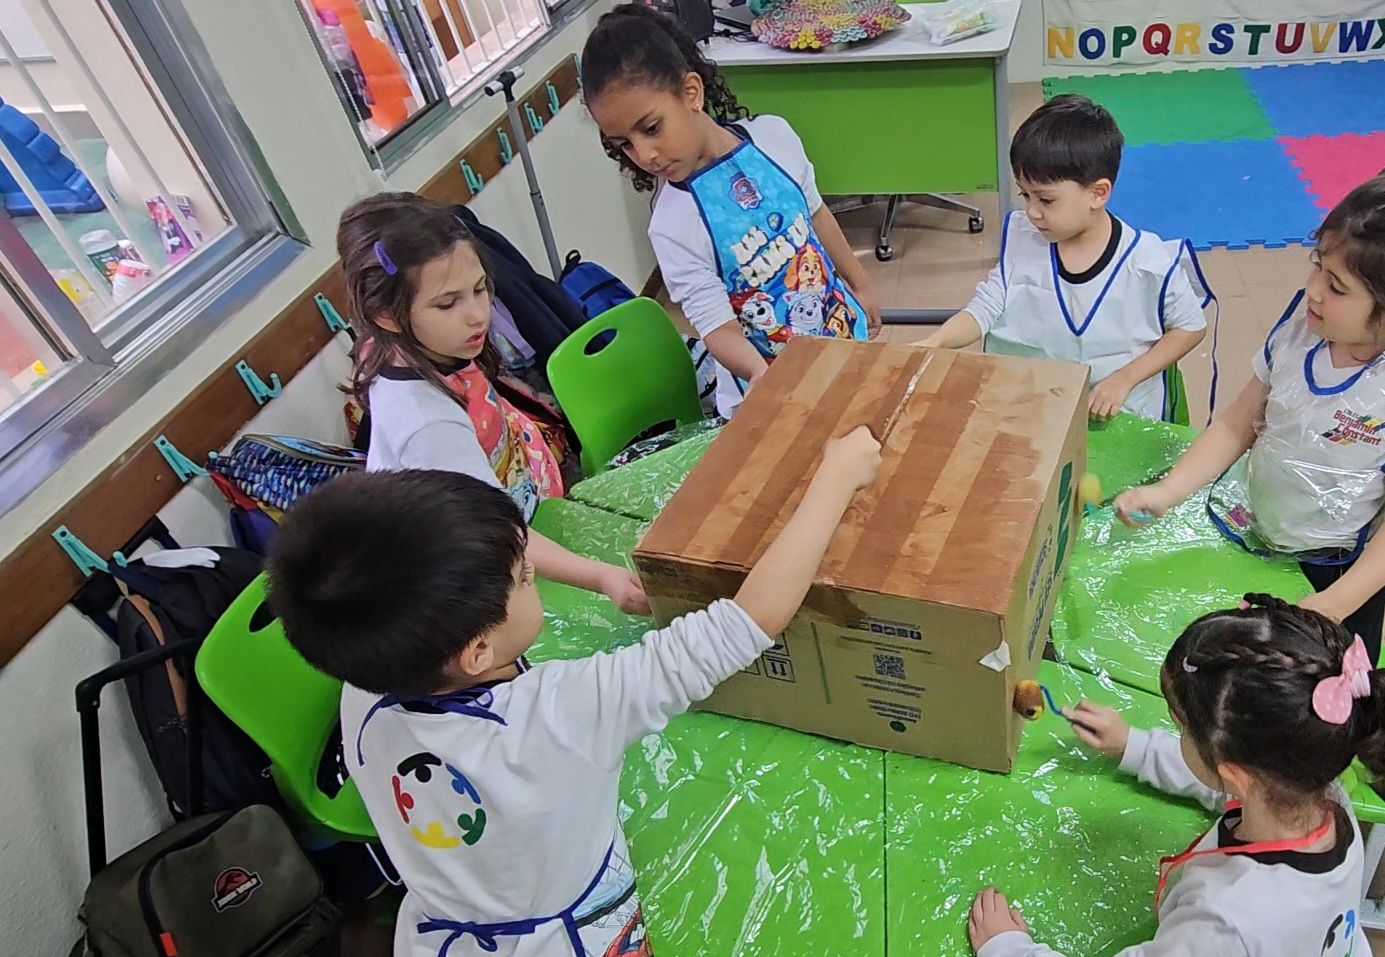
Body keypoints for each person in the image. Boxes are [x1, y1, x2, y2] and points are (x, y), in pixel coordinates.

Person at [265, 427, 882, 957]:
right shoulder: (559, 714)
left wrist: (597, 576)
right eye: (523, 579)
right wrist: (835, 479)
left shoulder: (364, 685)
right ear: (476, 650)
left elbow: (489, 548)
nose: (531, 572)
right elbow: (745, 623)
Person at [1114, 162, 1385, 932]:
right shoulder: (1305, 327)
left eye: (1337, 284)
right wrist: (1167, 490)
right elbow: (1236, 423)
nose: (1313, 290)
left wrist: (1332, 605)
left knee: (1338, 728)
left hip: (1339, 576)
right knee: (1255, 693)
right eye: (1316, 264)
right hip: (1272, 544)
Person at [971, 596, 1385, 957]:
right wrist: (1135, 747)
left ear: (1234, 773)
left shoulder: (1226, 929)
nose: (1179, 737)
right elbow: (1233, 787)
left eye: (1181, 729)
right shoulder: (1326, 799)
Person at [337, 192, 650, 616]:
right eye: (448, 303)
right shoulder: (427, 424)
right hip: (484, 567)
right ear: (386, 315)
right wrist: (601, 577)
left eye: (480, 288)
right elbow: (497, 531)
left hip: (523, 516)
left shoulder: (421, 345)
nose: (477, 314)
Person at [582, 3, 880, 420]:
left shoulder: (774, 137)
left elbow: (816, 216)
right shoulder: (672, 226)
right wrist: (761, 375)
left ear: (691, 92)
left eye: (651, 128)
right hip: (771, 391)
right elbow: (717, 327)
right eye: (624, 144)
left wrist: (860, 285)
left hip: (841, 339)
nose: (645, 155)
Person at [914, 95, 1209, 423]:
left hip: (1118, 416)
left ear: (1098, 193)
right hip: (1033, 407)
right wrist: (937, 341)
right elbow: (986, 307)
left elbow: (1190, 327)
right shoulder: (1023, 237)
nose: (1032, 211)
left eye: (1046, 200)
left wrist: (1125, 379)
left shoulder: (1149, 264)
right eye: (1025, 194)